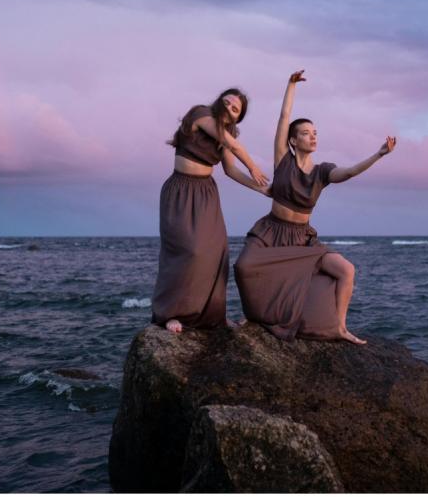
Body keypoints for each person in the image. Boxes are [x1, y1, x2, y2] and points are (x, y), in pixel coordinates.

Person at [234, 71, 396, 344]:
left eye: (315, 133)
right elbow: (283, 118)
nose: (312, 137)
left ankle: (340, 328)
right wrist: (291, 85)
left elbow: (350, 171)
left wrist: (378, 154)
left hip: (302, 238)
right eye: (306, 133)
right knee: (243, 267)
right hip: (271, 232)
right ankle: (256, 316)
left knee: (346, 270)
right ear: (293, 140)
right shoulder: (282, 160)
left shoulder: (322, 172)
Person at [152, 88, 269, 333]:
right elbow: (232, 145)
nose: (229, 108)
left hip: (206, 192)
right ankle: (170, 314)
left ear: (238, 117)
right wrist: (254, 167)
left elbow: (230, 170)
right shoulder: (201, 113)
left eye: (235, 108)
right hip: (181, 190)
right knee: (188, 250)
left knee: (217, 253)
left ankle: (211, 317)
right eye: (227, 102)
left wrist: (261, 190)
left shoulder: (229, 132)